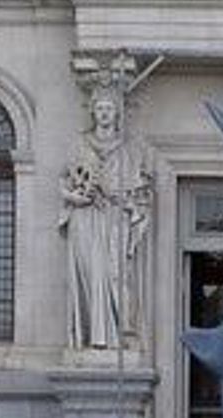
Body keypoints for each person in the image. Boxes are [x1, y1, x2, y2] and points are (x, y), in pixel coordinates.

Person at [61, 82, 152, 349]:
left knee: (116, 275)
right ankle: (93, 337)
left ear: (117, 113)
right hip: (85, 217)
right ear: (93, 112)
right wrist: (75, 198)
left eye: (109, 108)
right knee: (90, 275)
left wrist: (129, 204)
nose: (103, 113)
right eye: (99, 108)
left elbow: (141, 192)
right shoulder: (79, 144)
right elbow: (63, 182)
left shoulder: (130, 148)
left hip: (116, 219)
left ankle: (117, 335)